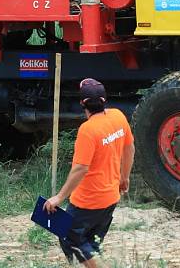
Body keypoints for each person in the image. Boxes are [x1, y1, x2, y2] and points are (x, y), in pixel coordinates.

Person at [45, 78, 135, 267]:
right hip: (111, 197)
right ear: (104, 100)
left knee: (70, 237)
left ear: (82, 103)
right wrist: (124, 177)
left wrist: (59, 197)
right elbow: (130, 148)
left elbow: (80, 168)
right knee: (91, 243)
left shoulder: (88, 130)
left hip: (87, 201)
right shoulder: (118, 116)